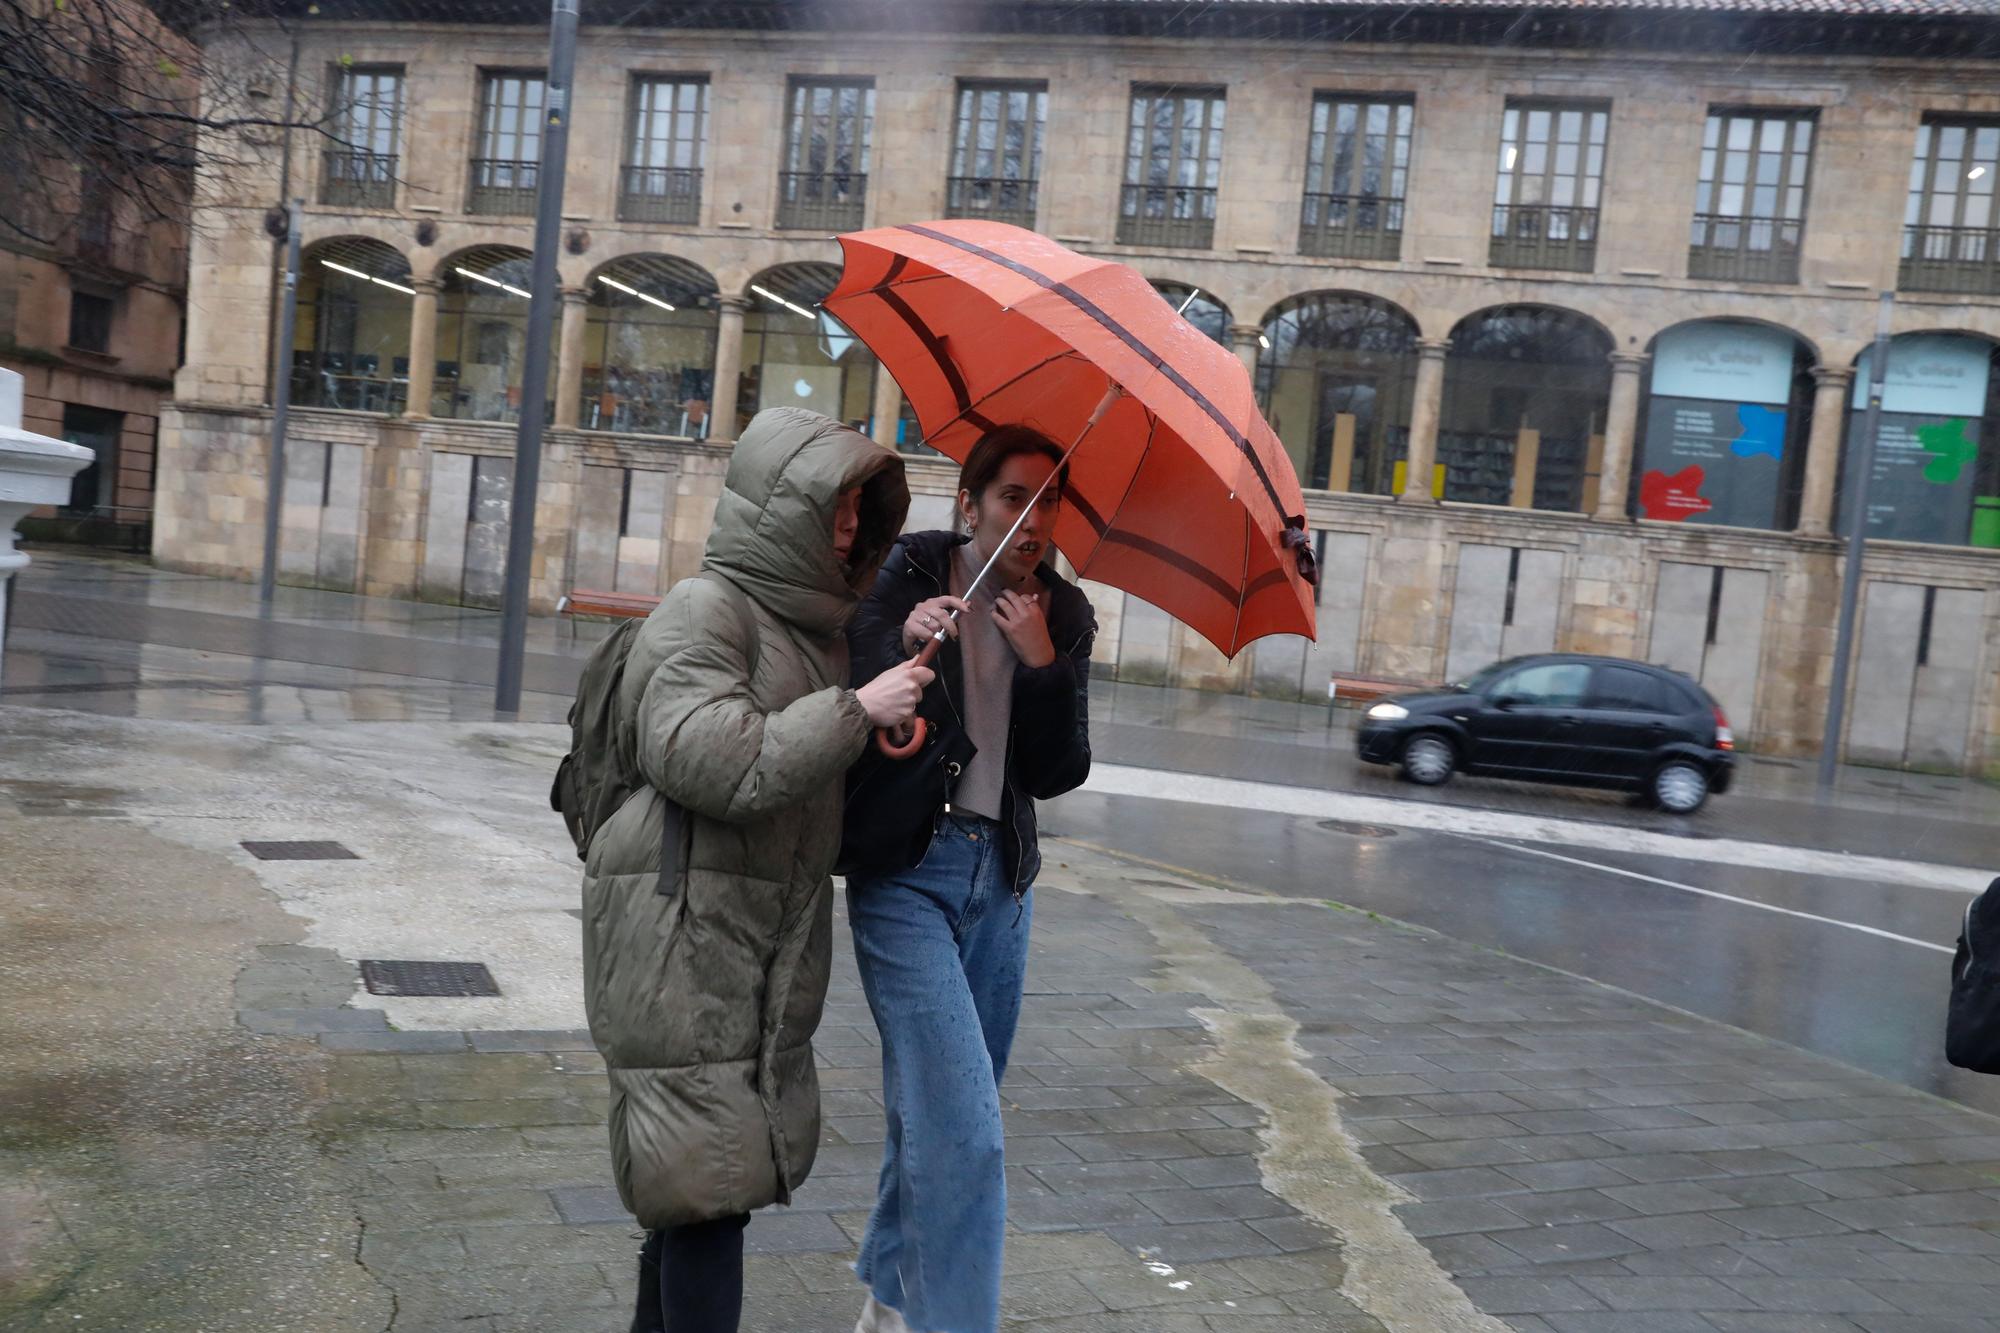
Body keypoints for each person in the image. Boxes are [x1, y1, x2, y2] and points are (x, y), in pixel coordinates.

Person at [580, 407, 934, 1333]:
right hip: (680, 940)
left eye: (863, 510)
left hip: (746, 950)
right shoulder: (707, 608)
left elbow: (792, 775)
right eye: (837, 507)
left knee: (691, 1190)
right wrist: (854, 710)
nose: (852, 528)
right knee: (709, 1191)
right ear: (781, 505)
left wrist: (871, 726)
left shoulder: (817, 633)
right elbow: (707, 756)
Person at [840, 425, 1099, 1333]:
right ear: (971, 503)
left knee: (938, 1112)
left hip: (1003, 887)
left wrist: (1042, 665)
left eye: (1052, 500)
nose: (1035, 520)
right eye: (1014, 497)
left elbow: (1060, 768)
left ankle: (887, 1288)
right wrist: (898, 641)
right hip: (908, 874)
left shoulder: (1060, 615)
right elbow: (849, 676)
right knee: (966, 1131)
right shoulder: (909, 575)